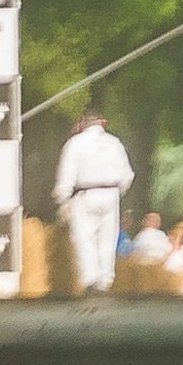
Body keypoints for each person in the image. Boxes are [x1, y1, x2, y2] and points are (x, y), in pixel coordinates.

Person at [53, 110, 134, 294]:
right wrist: (117, 192)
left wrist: (63, 197)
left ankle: (91, 279)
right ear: (103, 123)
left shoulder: (75, 143)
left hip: (85, 193)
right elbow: (127, 175)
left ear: (82, 124)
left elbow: (67, 173)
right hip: (111, 193)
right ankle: (105, 281)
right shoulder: (114, 143)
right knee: (107, 238)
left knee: (84, 236)